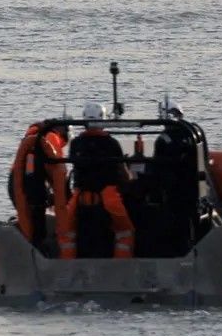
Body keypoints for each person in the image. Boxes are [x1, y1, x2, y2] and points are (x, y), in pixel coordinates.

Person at [62, 102, 135, 259]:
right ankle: (121, 268)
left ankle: (67, 267)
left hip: (80, 197)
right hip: (108, 198)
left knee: (66, 232)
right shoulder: (111, 143)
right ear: (102, 120)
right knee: (125, 231)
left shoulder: (75, 143)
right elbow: (124, 175)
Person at [8, 120, 70, 255]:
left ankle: (30, 245)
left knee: (29, 220)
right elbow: (58, 173)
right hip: (31, 186)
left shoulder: (35, 137)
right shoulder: (52, 138)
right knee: (37, 224)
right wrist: (68, 198)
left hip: (16, 184)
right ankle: (40, 251)